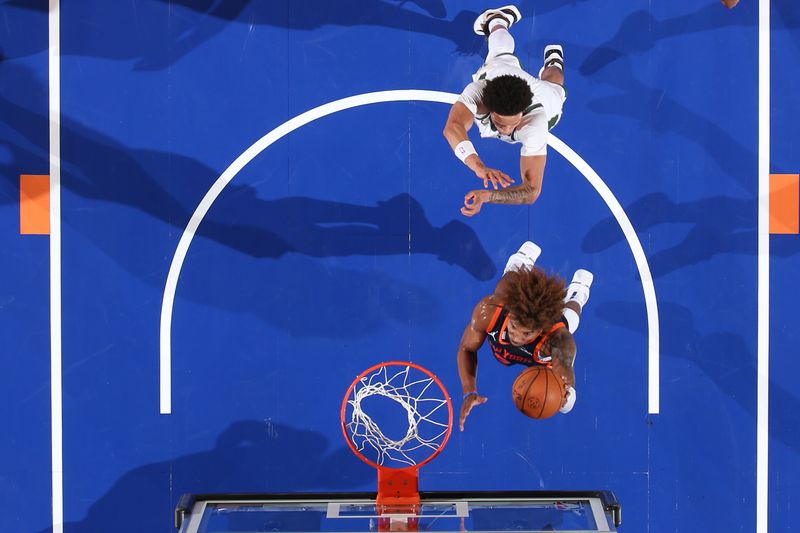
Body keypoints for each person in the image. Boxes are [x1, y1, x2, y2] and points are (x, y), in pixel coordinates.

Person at [442, 5, 567, 217]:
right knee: (499, 52)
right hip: (500, 71)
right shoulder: (479, 92)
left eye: (512, 123)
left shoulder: (536, 125)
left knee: (555, 83)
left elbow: (532, 192)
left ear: (522, 112)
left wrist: (488, 196)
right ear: (489, 108)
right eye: (501, 124)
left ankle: (554, 60)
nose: (507, 130)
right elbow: (452, 128)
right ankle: (497, 19)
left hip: (544, 98)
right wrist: (478, 166)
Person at [456, 241, 593, 430]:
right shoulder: (489, 310)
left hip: (542, 354)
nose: (517, 337)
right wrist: (468, 391)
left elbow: (565, 375)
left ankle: (578, 294)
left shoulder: (558, 341)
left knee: (569, 320)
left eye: (526, 333)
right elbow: (467, 348)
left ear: (541, 329)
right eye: (513, 326)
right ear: (509, 313)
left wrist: (564, 391)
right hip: (507, 307)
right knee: (507, 284)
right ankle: (521, 260)